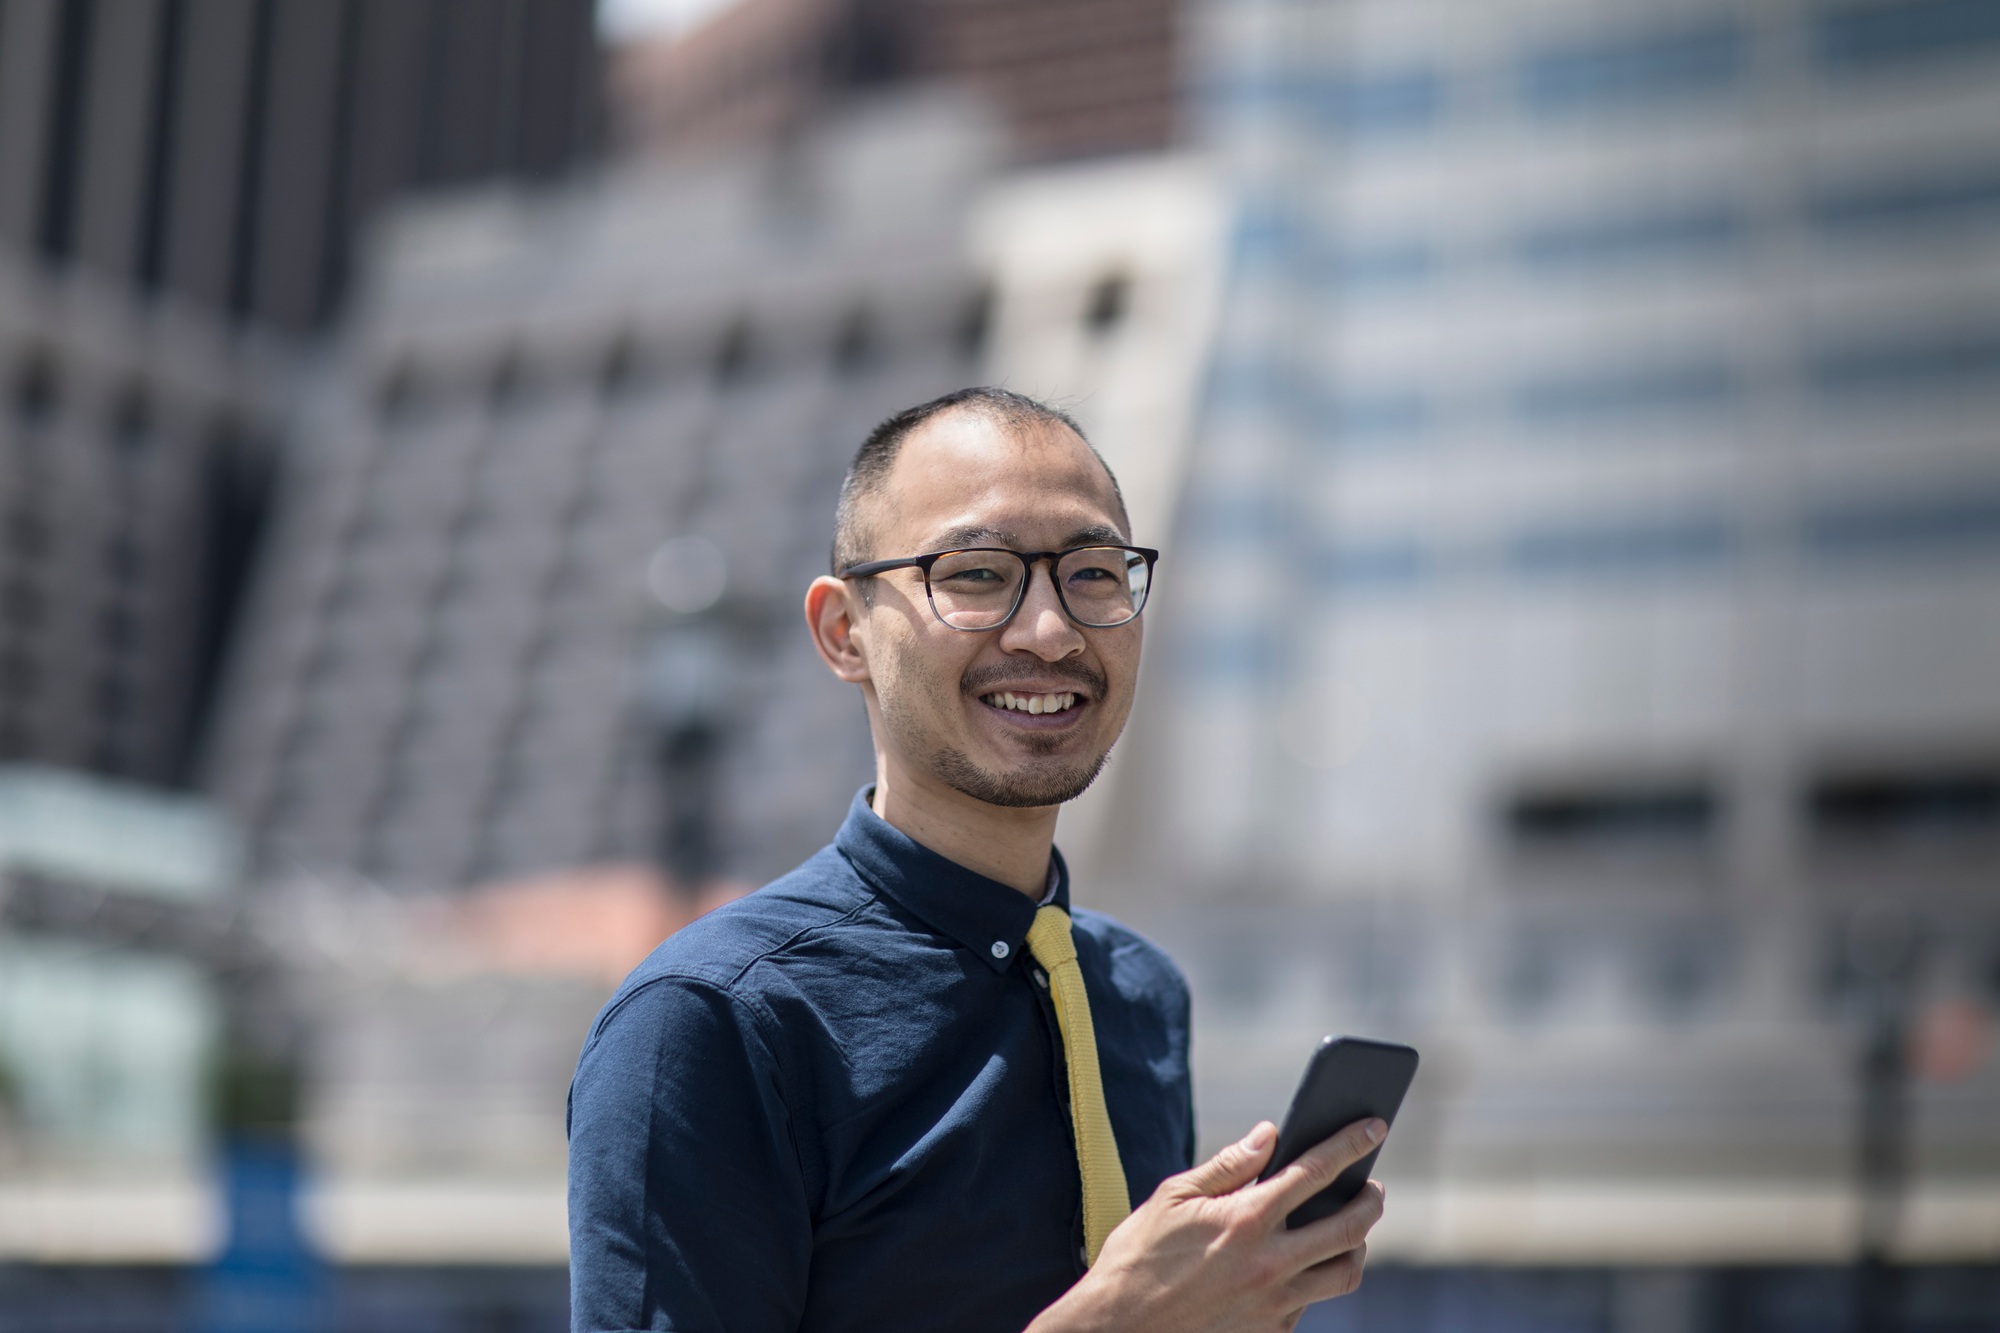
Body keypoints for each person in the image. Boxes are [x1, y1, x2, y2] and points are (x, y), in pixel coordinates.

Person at [567, 388, 1385, 1332]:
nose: (1050, 630)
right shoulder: (711, 1022)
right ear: (845, 633)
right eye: (979, 574)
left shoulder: (1140, 992)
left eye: (1093, 573)